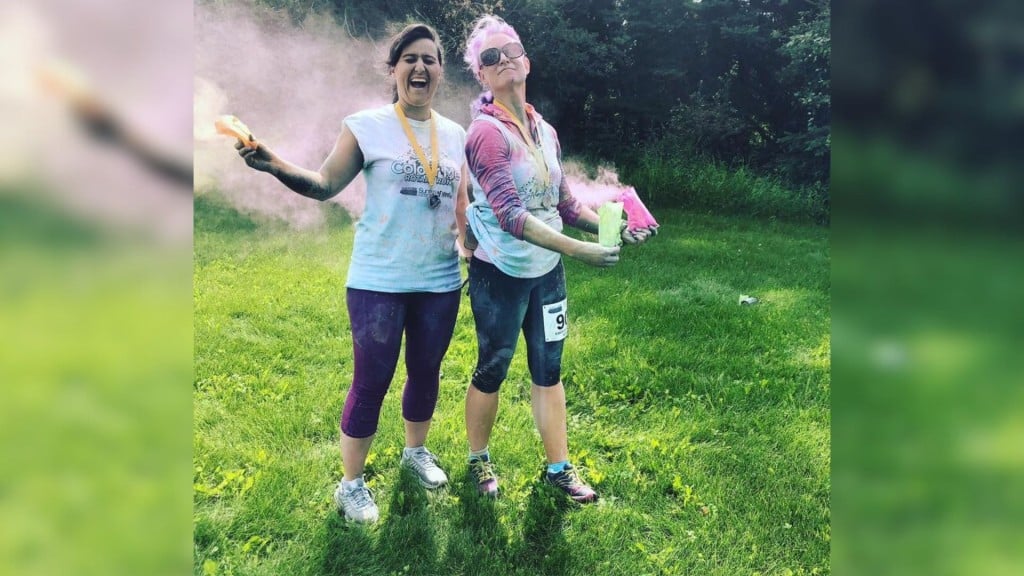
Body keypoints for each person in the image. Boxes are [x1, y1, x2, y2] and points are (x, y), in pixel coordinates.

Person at [235, 23, 471, 523]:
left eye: (430, 59)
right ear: (394, 69)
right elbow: (323, 184)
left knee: (425, 372)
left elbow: (460, 205)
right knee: (372, 382)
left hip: (439, 282)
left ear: (441, 71)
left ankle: (414, 454)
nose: (420, 67)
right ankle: (351, 485)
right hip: (378, 282)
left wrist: (472, 243)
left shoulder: (455, 135)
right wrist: (275, 163)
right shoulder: (366, 125)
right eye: (410, 58)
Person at [459, 15, 652, 504]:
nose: (504, 61)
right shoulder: (485, 133)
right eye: (490, 57)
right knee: (493, 367)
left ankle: (558, 468)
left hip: (547, 273)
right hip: (499, 272)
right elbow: (509, 214)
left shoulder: (544, 130)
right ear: (481, 75)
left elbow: (564, 204)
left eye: (511, 51)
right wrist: (579, 249)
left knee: (549, 369)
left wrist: (614, 229)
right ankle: (478, 459)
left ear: (527, 60)